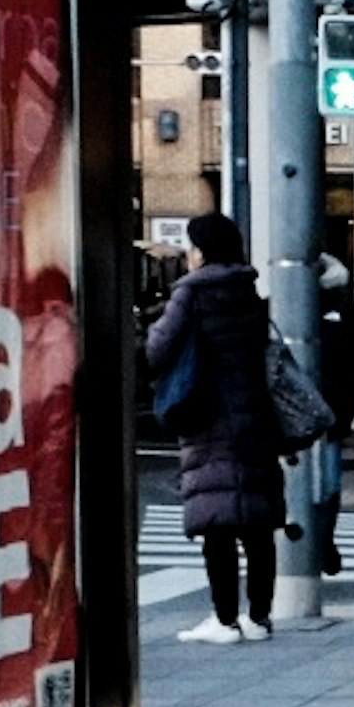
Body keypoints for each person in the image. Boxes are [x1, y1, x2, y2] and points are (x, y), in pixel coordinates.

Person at [144, 211, 284, 644]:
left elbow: (157, 348)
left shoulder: (191, 294)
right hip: (254, 416)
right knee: (257, 526)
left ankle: (224, 620)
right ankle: (259, 618)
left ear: (201, 250)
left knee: (217, 524)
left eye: (192, 245)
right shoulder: (247, 289)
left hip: (209, 418)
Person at [308, 256, 354, 577]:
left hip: (329, 415)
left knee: (327, 485)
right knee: (324, 484)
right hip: (325, 414)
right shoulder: (341, 311)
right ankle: (317, 543)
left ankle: (320, 541)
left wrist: (349, 405)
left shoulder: (341, 311)